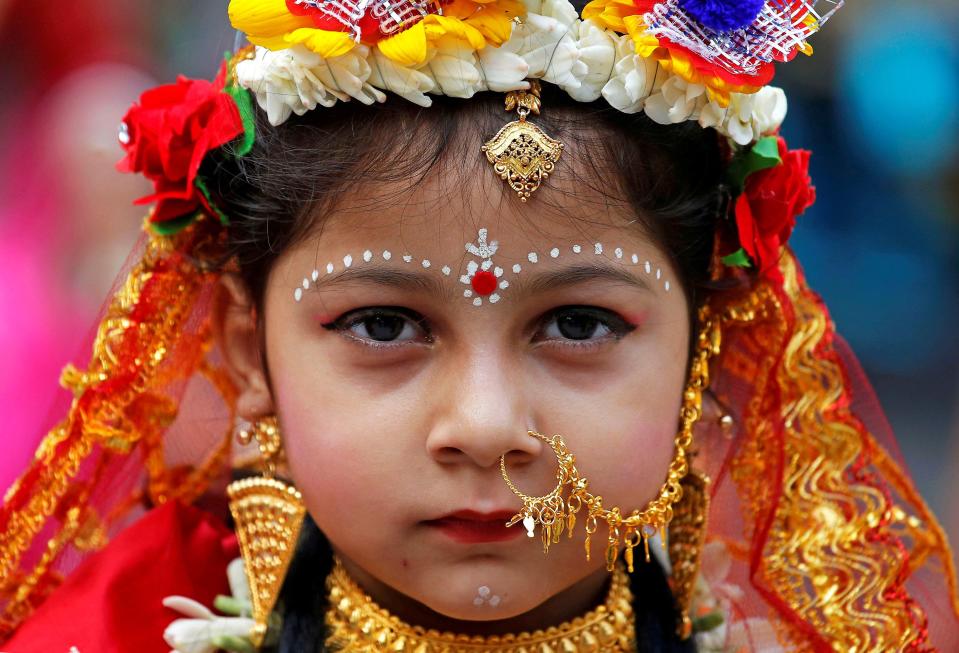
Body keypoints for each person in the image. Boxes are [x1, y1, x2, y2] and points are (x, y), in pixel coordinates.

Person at [1, 0, 957, 651]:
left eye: (578, 322)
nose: (487, 425)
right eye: (382, 325)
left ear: (703, 349)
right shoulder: (115, 628)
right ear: (252, 354)